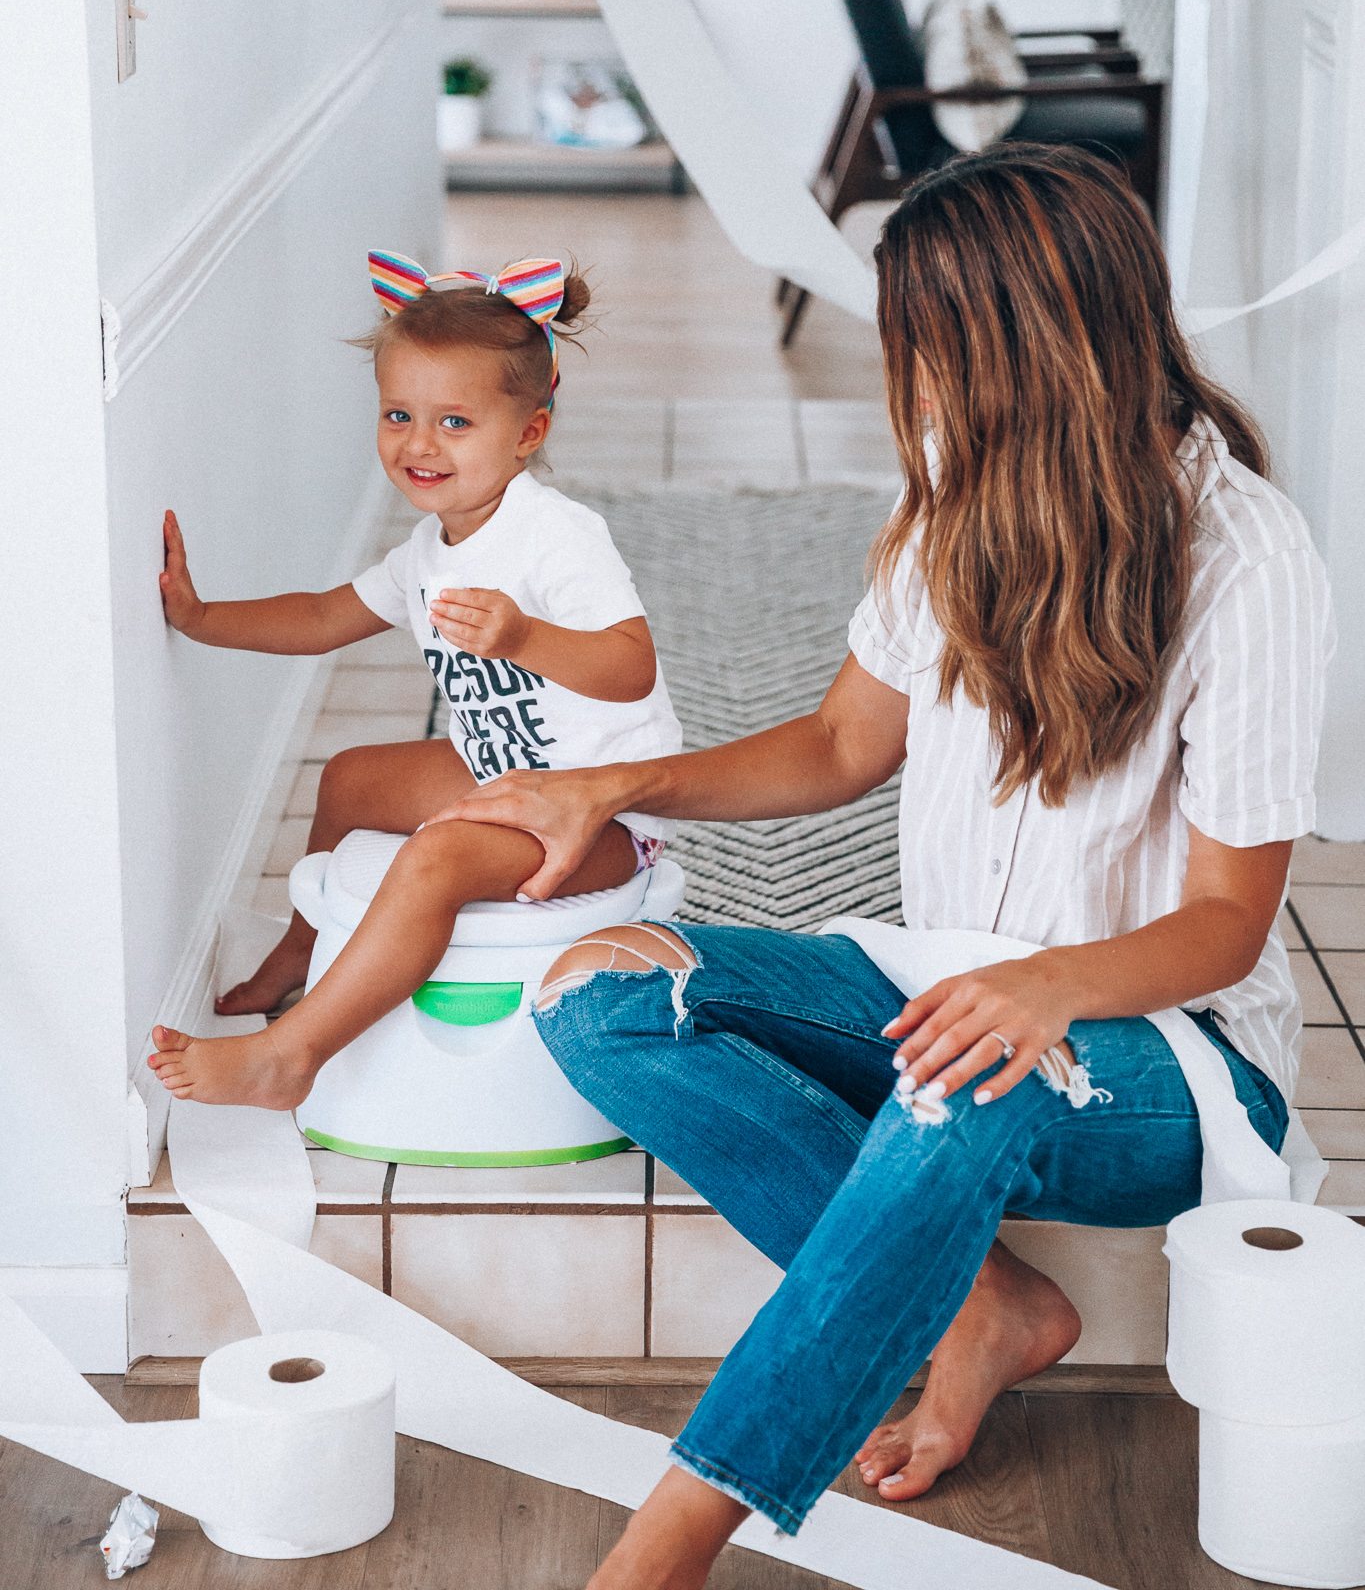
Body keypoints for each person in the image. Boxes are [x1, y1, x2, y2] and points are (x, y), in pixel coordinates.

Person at [439, 146, 1333, 1590]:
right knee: (593, 997)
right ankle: (980, 1309)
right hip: (954, 993)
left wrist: (1041, 988)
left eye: (921, 345)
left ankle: (667, 1546)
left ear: (1019, 348)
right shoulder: (950, 507)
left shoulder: (1245, 554)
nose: (899, 378)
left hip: (1175, 1052)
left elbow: (1228, 924)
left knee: (955, 1086)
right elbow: (842, 747)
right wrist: (613, 781)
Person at [148, 253, 681, 1110]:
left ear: (529, 433)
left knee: (435, 860)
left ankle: (292, 1055)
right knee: (351, 778)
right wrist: (203, 619)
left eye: (454, 423)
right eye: (399, 414)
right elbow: (326, 616)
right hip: (501, 774)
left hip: (600, 811)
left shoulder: (557, 537)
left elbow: (630, 667)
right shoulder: (433, 544)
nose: (419, 444)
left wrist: (525, 636)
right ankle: (299, 948)